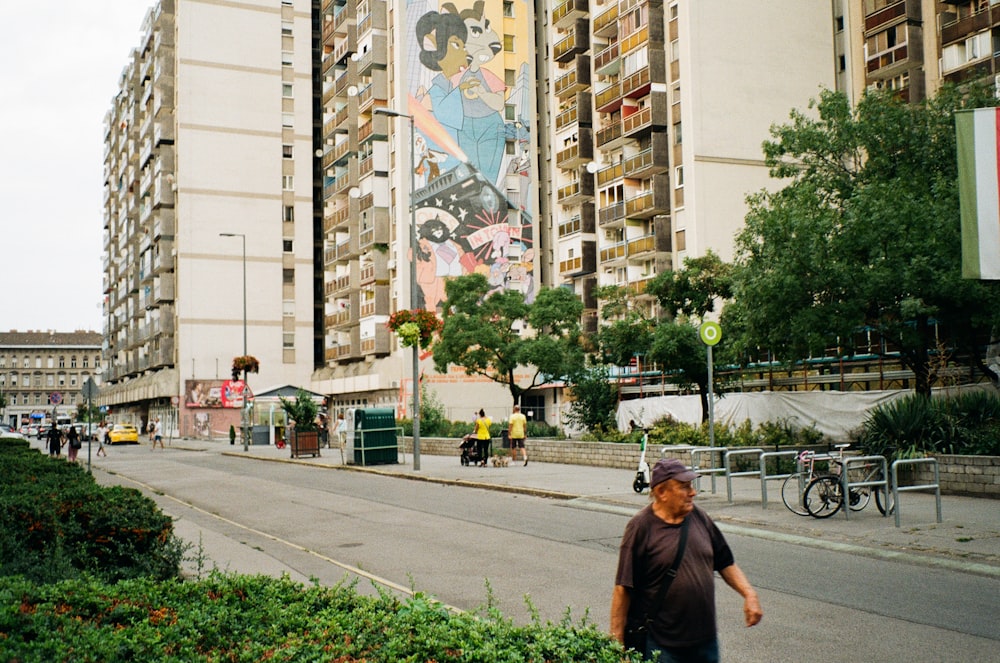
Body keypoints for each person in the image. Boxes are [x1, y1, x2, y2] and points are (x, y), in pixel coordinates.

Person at [611, 458, 763, 662]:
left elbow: (725, 562)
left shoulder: (700, 517)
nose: (693, 492)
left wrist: (749, 593)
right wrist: (617, 647)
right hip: (662, 647)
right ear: (662, 492)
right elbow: (623, 589)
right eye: (684, 487)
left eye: (691, 486)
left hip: (705, 643)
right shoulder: (641, 527)